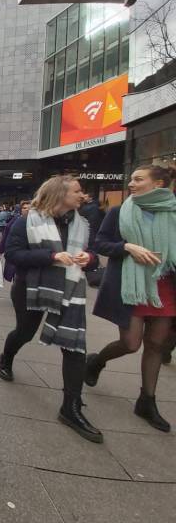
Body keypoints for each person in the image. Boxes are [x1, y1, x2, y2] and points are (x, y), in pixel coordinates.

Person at [0, 175, 102, 443]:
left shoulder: (83, 224)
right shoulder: (25, 221)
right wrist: (52, 256)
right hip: (31, 288)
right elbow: (14, 254)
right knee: (25, 332)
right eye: (77, 191)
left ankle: (71, 407)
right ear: (59, 194)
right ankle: (6, 358)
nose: (82, 195)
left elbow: (93, 258)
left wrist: (88, 259)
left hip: (69, 290)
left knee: (75, 346)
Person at [86, 165, 176, 432]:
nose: (131, 184)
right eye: (131, 179)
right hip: (131, 286)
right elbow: (99, 244)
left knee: (156, 345)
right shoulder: (119, 211)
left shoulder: (172, 212)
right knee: (131, 343)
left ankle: (146, 401)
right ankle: (97, 361)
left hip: (164, 286)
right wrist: (127, 247)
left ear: (158, 183)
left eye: (139, 179)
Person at [0, 200, 31, 282]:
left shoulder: (38, 223)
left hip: (30, 257)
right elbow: (6, 235)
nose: (27, 210)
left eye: (30, 208)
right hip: (17, 255)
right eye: (24, 208)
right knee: (17, 279)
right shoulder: (15, 221)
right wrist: (0, 250)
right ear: (21, 210)